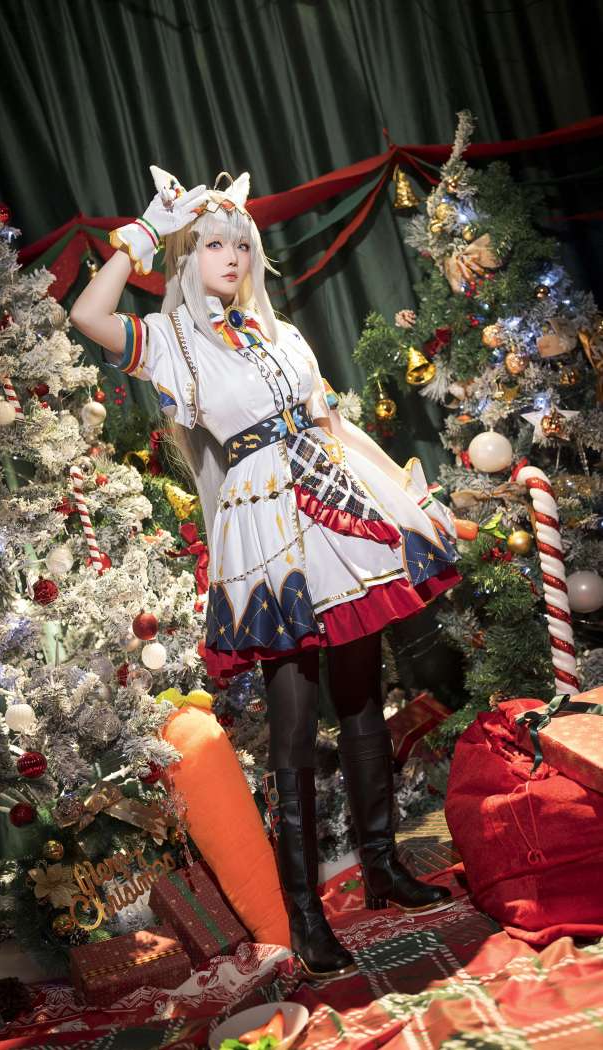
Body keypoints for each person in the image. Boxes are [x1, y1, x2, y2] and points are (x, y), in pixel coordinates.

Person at [70, 165, 459, 980]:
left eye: (241, 245)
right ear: (189, 257)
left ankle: (383, 867)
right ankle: (305, 914)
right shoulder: (174, 342)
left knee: (362, 697)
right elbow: (88, 315)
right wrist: (144, 234)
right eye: (215, 244)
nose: (232, 257)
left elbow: (333, 427)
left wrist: (407, 495)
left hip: (335, 514)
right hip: (268, 534)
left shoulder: (285, 338)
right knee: (293, 721)